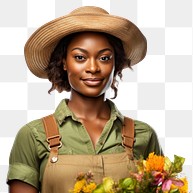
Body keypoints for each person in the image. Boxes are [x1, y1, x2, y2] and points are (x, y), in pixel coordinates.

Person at [7, 6, 163, 193]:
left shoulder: (143, 135)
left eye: (104, 58)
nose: (93, 68)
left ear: (116, 64)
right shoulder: (33, 135)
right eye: (80, 57)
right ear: (64, 62)